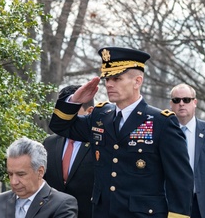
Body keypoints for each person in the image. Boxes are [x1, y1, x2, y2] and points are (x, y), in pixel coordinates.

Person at [49, 46, 193, 218]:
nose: (109, 84)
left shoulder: (161, 122)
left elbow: (180, 181)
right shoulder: (100, 116)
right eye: (107, 78)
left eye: (117, 78)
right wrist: (74, 101)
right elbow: (60, 127)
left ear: (137, 81)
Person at [0, 137, 78, 218]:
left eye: (21, 174)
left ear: (40, 172)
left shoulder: (62, 205)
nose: (13, 182)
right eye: (10, 174)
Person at [169, 83, 205, 218]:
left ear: (195, 102)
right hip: (172, 205)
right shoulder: (164, 132)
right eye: (176, 100)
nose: (181, 104)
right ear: (171, 104)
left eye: (186, 100)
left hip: (204, 205)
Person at [43, 85, 94, 218]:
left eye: (72, 111)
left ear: (89, 111)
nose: (65, 117)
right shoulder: (49, 143)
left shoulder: (99, 144)